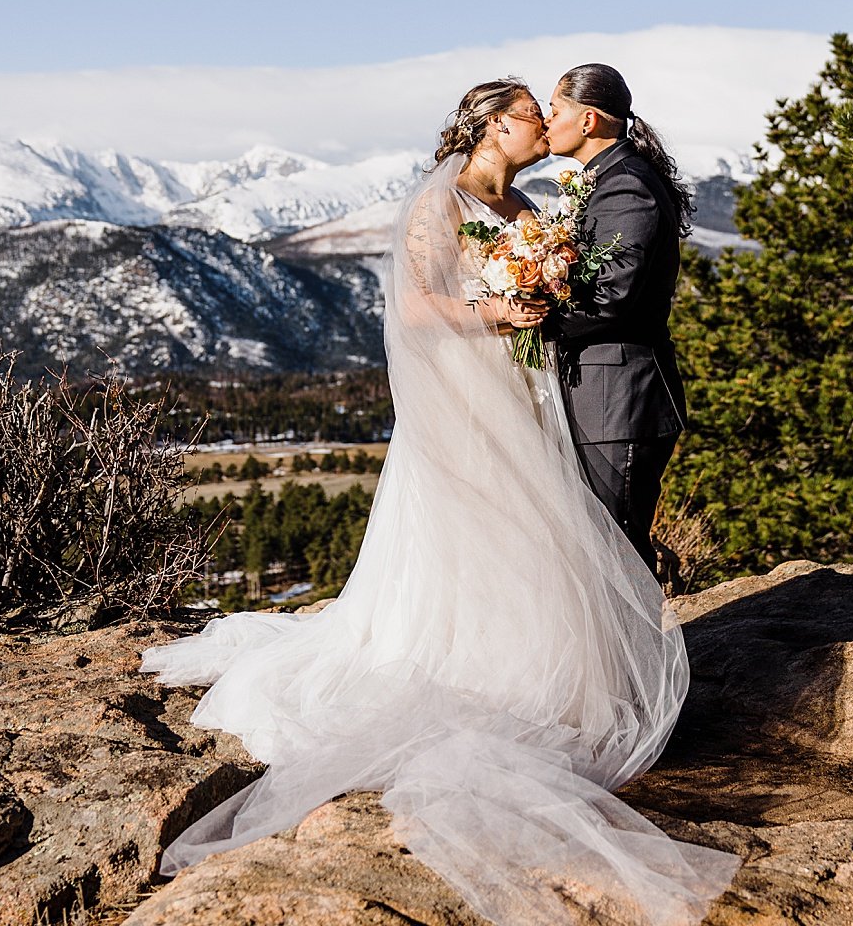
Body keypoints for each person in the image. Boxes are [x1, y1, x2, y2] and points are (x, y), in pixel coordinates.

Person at [139, 78, 738, 926]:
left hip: (531, 395)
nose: (542, 125)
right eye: (533, 113)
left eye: (548, 113)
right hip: (469, 393)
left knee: (540, 540)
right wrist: (502, 309)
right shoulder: (439, 201)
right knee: (480, 535)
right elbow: (418, 309)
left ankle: (557, 674)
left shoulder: (528, 199)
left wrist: (537, 299)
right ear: (497, 124)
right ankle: (490, 675)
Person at [542, 64, 692, 579]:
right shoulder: (608, 179)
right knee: (602, 543)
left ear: (587, 120)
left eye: (554, 109)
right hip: (605, 397)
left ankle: (637, 663)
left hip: (621, 398)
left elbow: (611, 298)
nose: (546, 119)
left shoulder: (626, 187)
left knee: (617, 548)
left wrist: (531, 322)